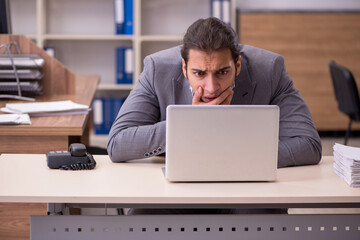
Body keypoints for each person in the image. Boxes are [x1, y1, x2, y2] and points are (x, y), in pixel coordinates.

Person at [107, 17, 322, 168]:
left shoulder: (269, 69)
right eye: (199, 73)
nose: (211, 87)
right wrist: (189, 121)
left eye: (223, 72)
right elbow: (117, 145)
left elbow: (308, 145)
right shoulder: (157, 69)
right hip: (177, 189)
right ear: (184, 68)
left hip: (245, 187)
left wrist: (231, 159)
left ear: (237, 65)